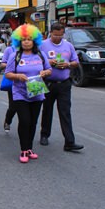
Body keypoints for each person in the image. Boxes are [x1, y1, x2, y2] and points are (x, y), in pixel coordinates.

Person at [4, 24, 52, 163]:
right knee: (25, 121)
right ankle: (24, 149)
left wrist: (45, 73)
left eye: (29, 39)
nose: (26, 42)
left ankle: (29, 148)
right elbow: (7, 74)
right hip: (20, 94)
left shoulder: (40, 54)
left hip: (37, 92)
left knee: (33, 122)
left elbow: (49, 69)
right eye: (24, 39)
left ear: (34, 41)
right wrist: (18, 76)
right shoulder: (15, 55)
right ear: (19, 40)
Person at [39, 23, 83, 151]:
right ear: (50, 33)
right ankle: (44, 135)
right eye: (55, 35)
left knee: (65, 112)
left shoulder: (68, 45)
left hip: (64, 83)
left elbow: (76, 62)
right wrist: (49, 62)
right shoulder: (42, 45)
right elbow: (36, 60)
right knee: (47, 110)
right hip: (48, 82)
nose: (58, 38)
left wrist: (68, 64)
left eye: (60, 35)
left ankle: (69, 141)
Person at [1, 43, 17, 132]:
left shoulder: (34, 51)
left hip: (29, 83)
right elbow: (2, 64)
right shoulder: (10, 50)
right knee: (13, 107)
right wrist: (12, 65)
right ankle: (8, 121)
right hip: (14, 82)